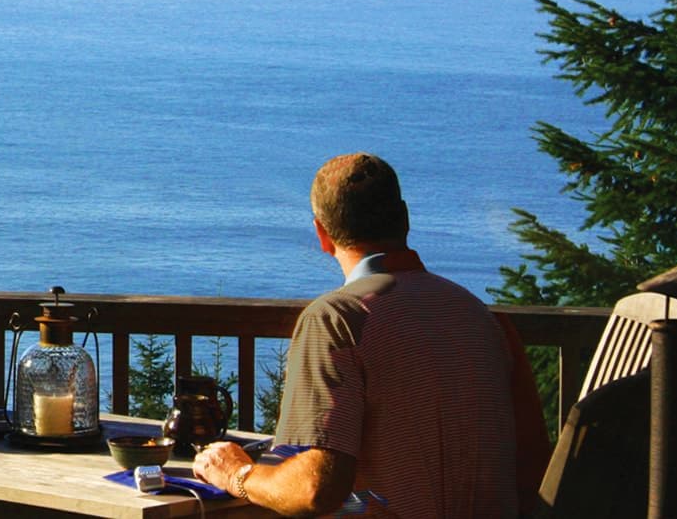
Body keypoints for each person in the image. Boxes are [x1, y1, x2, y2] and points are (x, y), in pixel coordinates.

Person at [194, 152, 533, 518]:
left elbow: (316, 490)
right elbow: (533, 466)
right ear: (404, 218)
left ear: (322, 235)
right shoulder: (482, 318)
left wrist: (236, 473)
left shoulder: (337, 319)